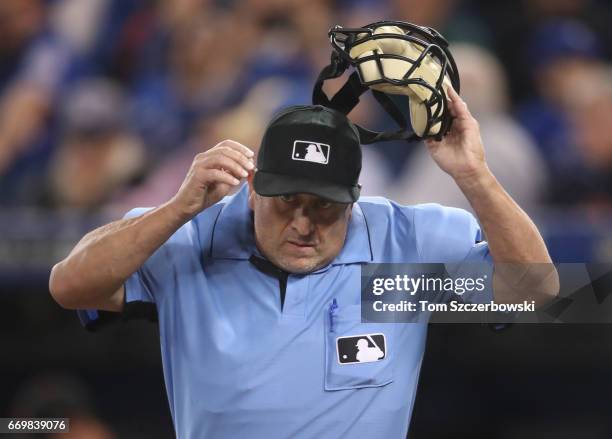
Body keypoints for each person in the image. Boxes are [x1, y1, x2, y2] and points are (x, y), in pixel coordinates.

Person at [49, 90, 558, 438]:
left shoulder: (400, 244)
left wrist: (474, 175)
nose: (302, 224)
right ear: (252, 189)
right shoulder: (192, 235)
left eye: (324, 206)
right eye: (286, 201)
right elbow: (69, 286)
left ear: (354, 200)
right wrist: (177, 208)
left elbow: (535, 288)